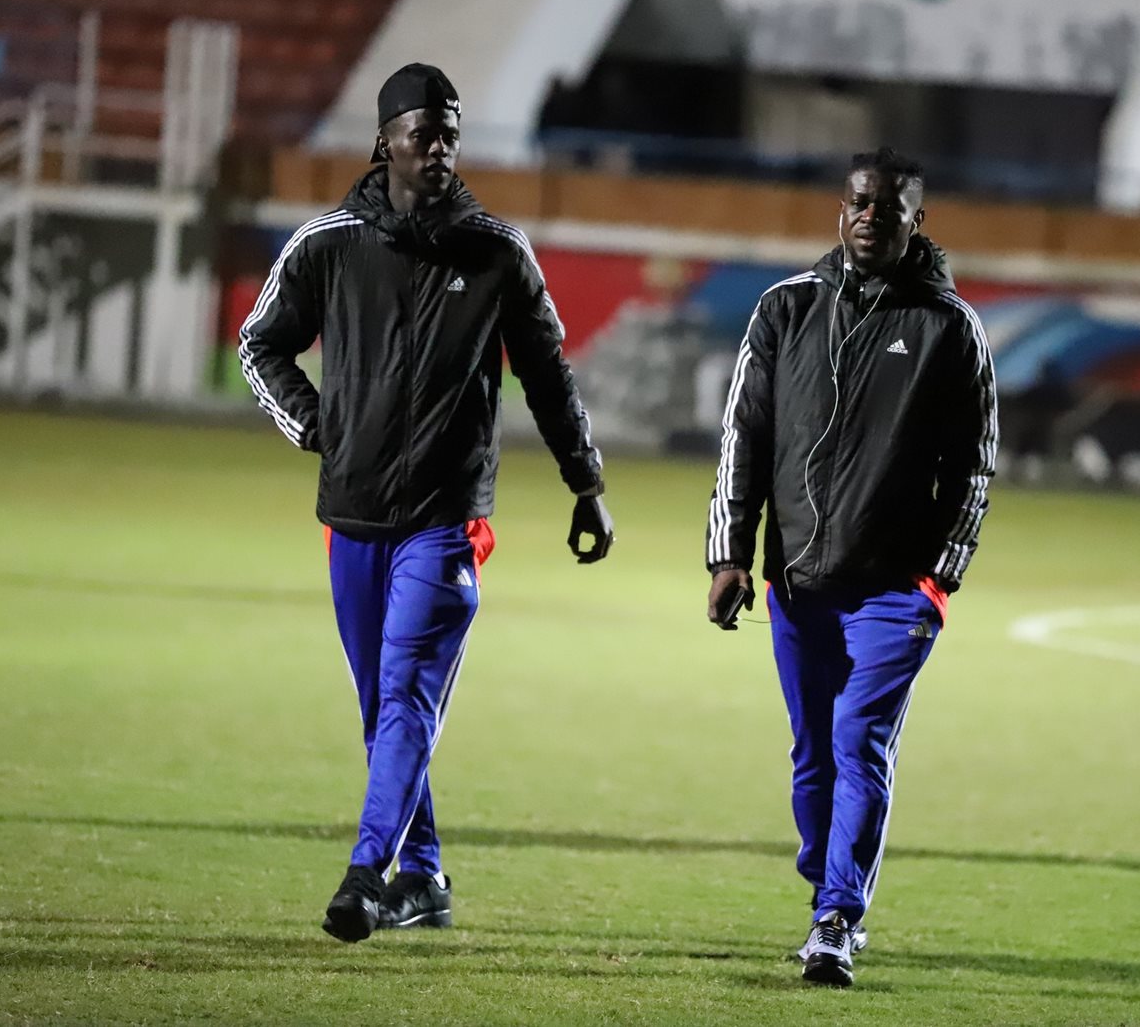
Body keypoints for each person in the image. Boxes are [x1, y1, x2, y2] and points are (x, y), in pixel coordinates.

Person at [239, 63, 614, 942]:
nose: (440, 146)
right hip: (352, 515)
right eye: (424, 132)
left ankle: (365, 874)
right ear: (385, 142)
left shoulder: (497, 252)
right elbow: (261, 346)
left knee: (407, 692)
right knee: (384, 709)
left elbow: (548, 377)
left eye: (451, 132)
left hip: (447, 520)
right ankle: (425, 877)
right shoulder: (328, 244)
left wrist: (585, 482)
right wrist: (314, 425)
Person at [704, 148, 998, 985]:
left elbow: (975, 464)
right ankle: (825, 885)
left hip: (896, 589)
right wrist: (729, 554)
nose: (871, 216)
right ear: (842, 209)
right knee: (814, 758)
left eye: (889, 207)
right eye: (860, 202)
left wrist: (940, 577)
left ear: (916, 221)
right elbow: (744, 436)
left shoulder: (949, 328)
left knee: (858, 740)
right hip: (798, 581)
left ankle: (837, 917)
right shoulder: (786, 308)